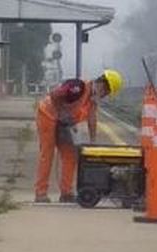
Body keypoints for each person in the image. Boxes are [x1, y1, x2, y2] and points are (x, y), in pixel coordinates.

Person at [35, 69, 123, 203]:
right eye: (106, 92)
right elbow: (54, 95)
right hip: (48, 115)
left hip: (64, 123)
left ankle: (66, 193)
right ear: (102, 84)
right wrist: (62, 113)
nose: (105, 95)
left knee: (70, 154)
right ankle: (40, 193)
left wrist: (93, 141)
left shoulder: (92, 100)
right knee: (47, 153)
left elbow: (92, 119)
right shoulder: (78, 87)